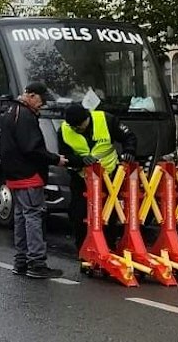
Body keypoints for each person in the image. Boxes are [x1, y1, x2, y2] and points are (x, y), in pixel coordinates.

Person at [0, 82, 62, 278]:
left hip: (13, 175)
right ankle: (37, 263)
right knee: (33, 216)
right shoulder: (25, 116)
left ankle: (21, 261)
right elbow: (32, 148)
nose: (41, 106)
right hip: (28, 174)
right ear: (32, 96)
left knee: (21, 217)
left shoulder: (11, 111)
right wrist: (55, 159)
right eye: (41, 101)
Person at [57, 102, 135, 240]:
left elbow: (129, 137)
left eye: (79, 126)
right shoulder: (63, 130)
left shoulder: (106, 119)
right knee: (79, 214)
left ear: (86, 118)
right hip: (82, 178)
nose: (77, 129)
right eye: (73, 127)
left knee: (108, 214)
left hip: (109, 176)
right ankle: (83, 248)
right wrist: (80, 160)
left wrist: (129, 151)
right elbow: (64, 156)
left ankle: (109, 246)